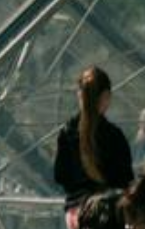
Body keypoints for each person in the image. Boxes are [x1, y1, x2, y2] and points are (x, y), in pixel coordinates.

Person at [52, 65, 132, 201]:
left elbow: (60, 176)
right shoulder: (114, 136)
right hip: (106, 211)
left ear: (79, 95)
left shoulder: (67, 133)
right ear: (105, 96)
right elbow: (125, 179)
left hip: (76, 210)